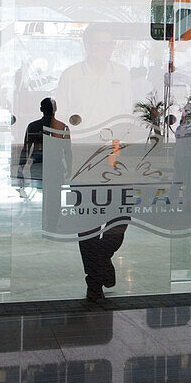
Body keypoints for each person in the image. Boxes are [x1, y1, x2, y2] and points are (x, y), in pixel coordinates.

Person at [54, 24, 135, 303]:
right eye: (100, 44)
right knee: (88, 223)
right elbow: (59, 119)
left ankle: (102, 261)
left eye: (109, 44)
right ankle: (94, 284)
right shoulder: (72, 75)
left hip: (116, 156)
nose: (105, 49)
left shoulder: (122, 74)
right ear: (87, 45)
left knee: (122, 217)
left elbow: (128, 116)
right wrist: (58, 157)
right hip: (82, 159)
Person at [16, 97, 68, 189]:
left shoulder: (33, 126)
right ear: (55, 109)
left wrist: (21, 168)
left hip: (38, 165)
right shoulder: (62, 127)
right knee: (55, 194)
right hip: (56, 166)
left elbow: (26, 149)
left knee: (40, 191)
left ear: (41, 109)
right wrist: (69, 169)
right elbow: (67, 151)